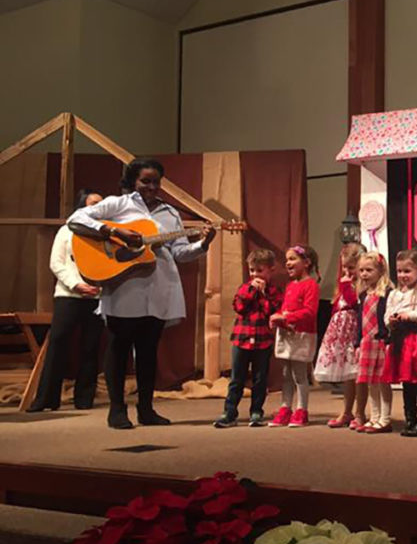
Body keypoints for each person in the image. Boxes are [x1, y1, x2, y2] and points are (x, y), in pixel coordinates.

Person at [68, 159, 215, 429]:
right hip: (125, 286)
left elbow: (180, 253)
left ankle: (146, 409)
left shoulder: (170, 213)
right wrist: (114, 230)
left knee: (148, 350)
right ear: (133, 181)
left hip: (159, 287)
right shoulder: (119, 204)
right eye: (145, 181)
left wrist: (203, 243)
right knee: (119, 347)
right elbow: (76, 219)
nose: (151, 186)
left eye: (156, 182)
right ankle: (117, 410)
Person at [28, 189, 105, 412]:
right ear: (82, 206)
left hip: (97, 296)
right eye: (93, 203)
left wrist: (99, 286)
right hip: (69, 294)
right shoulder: (67, 230)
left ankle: (84, 399)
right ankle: (46, 398)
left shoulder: (107, 232)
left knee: (90, 347)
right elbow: (57, 263)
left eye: (101, 204)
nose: (97, 207)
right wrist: (76, 284)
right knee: (58, 343)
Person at [213, 249, 283, 428]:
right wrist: (252, 291)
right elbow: (239, 306)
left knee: (260, 379)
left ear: (270, 270)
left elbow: (272, 311)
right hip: (241, 339)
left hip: (263, 341)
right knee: (237, 378)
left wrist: (264, 294)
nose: (255, 274)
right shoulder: (245, 288)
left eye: (260, 270)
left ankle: (256, 411)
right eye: (252, 270)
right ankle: (229, 412)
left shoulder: (274, 291)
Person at [384, 248, 417, 437]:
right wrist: (390, 320)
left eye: (407, 271)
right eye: (399, 271)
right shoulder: (394, 294)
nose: (402, 275)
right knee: (406, 383)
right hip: (400, 341)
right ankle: (410, 418)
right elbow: (386, 315)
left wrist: (412, 315)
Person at [268, 245, 320, 427]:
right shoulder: (290, 285)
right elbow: (285, 308)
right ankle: (285, 408)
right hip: (287, 333)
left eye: (292, 259)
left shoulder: (311, 285)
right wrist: (277, 318)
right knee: (286, 374)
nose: (287, 263)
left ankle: (301, 410)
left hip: (302, 335)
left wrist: (287, 316)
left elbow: (310, 311)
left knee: (299, 374)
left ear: (306, 263)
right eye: (287, 259)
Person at [321, 242, 367, 429]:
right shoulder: (343, 284)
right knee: (348, 376)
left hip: (354, 333)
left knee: (358, 376)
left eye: (351, 267)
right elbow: (337, 306)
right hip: (341, 334)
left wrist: (347, 285)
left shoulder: (359, 286)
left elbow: (352, 301)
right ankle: (346, 411)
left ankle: (360, 413)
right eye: (345, 267)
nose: (348, 271)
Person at [353, 252, 394, 433]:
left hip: (380, 342)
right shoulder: (363, 294)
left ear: (380, 270)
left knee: (382, 381)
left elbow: (387, 319)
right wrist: (356, 343)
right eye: (361, 270)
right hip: (366, 342)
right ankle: (374, 416)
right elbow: (359, 320)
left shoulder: (387, 293)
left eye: (369, 270)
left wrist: (388, 339)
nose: (364, 274)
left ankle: (385, 418)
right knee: (370, 382)